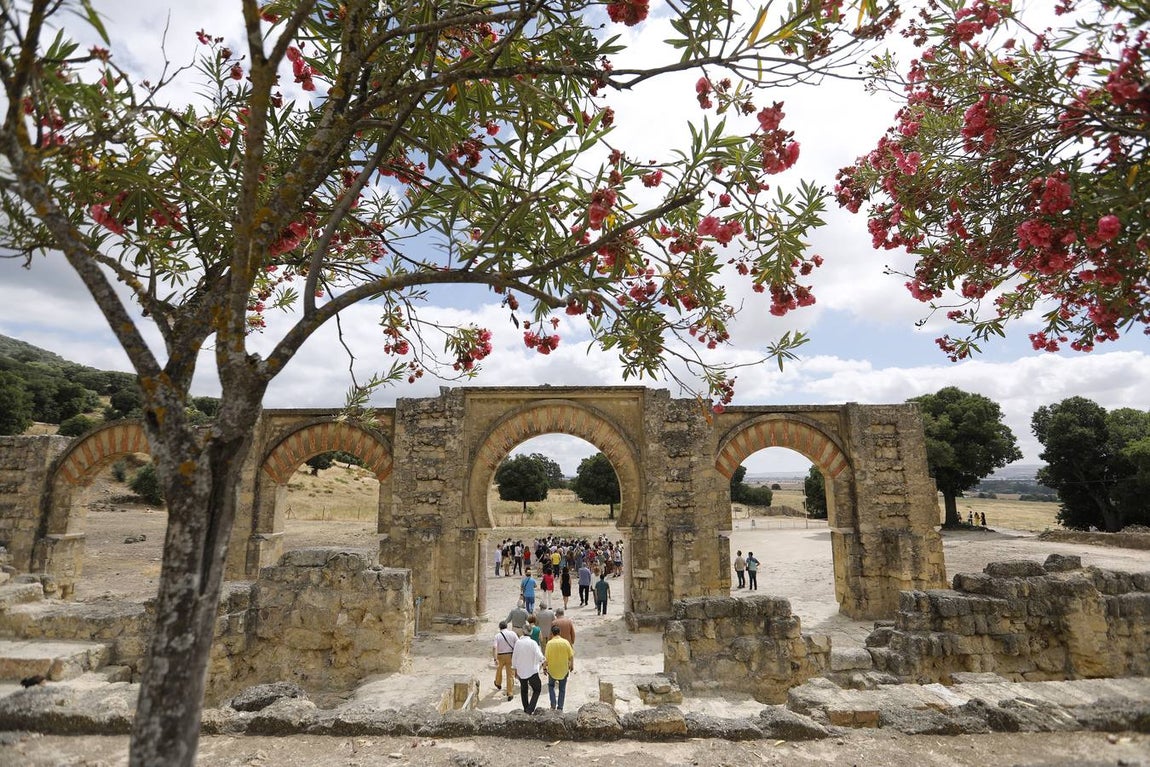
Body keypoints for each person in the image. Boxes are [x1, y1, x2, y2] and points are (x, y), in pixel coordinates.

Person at [511, 624, 545, 714]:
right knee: (537, 689)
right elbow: (539, 656)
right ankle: (530, 709)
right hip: (532, 670)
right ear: (531, 632)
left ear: (523, 631)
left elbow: (514, 657)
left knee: (524, 690)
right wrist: (543, 660)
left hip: (521, 670)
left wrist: (515, 669)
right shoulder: (533, 643)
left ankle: (526, 708)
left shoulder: (518, 643)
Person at [543, 624, 574, 712]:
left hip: (552, 670)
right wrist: (572, 665)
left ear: (552, 633)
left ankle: (553, 704)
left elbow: (546, 658)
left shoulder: (549, 643)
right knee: (562, 689)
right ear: (559, 633)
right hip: (563, 669)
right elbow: (571, 656)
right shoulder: (566, 642)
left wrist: (544, 668)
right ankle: (560, 707)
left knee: (551, 686)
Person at [492, 620, 517, 701]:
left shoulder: (497, 636)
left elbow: (495, 647)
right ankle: (510, 693)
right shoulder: (512, 634)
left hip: (501, 656)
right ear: (507, 626)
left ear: (500, 627)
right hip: (510, 655)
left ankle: (498, 683)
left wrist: (495, 658)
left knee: (499, 670)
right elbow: (517, 643)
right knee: (510, 675)